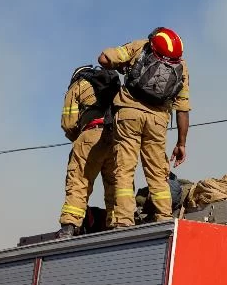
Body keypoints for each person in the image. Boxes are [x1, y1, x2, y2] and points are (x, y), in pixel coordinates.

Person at [97, 27, 191, 228]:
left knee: (124, 169)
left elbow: (104, 59)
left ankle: (124, 220)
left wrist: (123, 66)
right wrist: (181, 143)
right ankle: (164, 217)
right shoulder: (181, 65)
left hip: (129, 115)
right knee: (158, 173)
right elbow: (182, 108)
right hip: (157, 122)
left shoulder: (141, 46)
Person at [56, 65, 121, 240]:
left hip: (90, 134)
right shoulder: (113, 84)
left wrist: (80, 139)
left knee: (78, 180)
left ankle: (70, 226)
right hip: (116, 136)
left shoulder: (78, 85)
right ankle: (118, 224)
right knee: (116, 184)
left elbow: (68, 123)